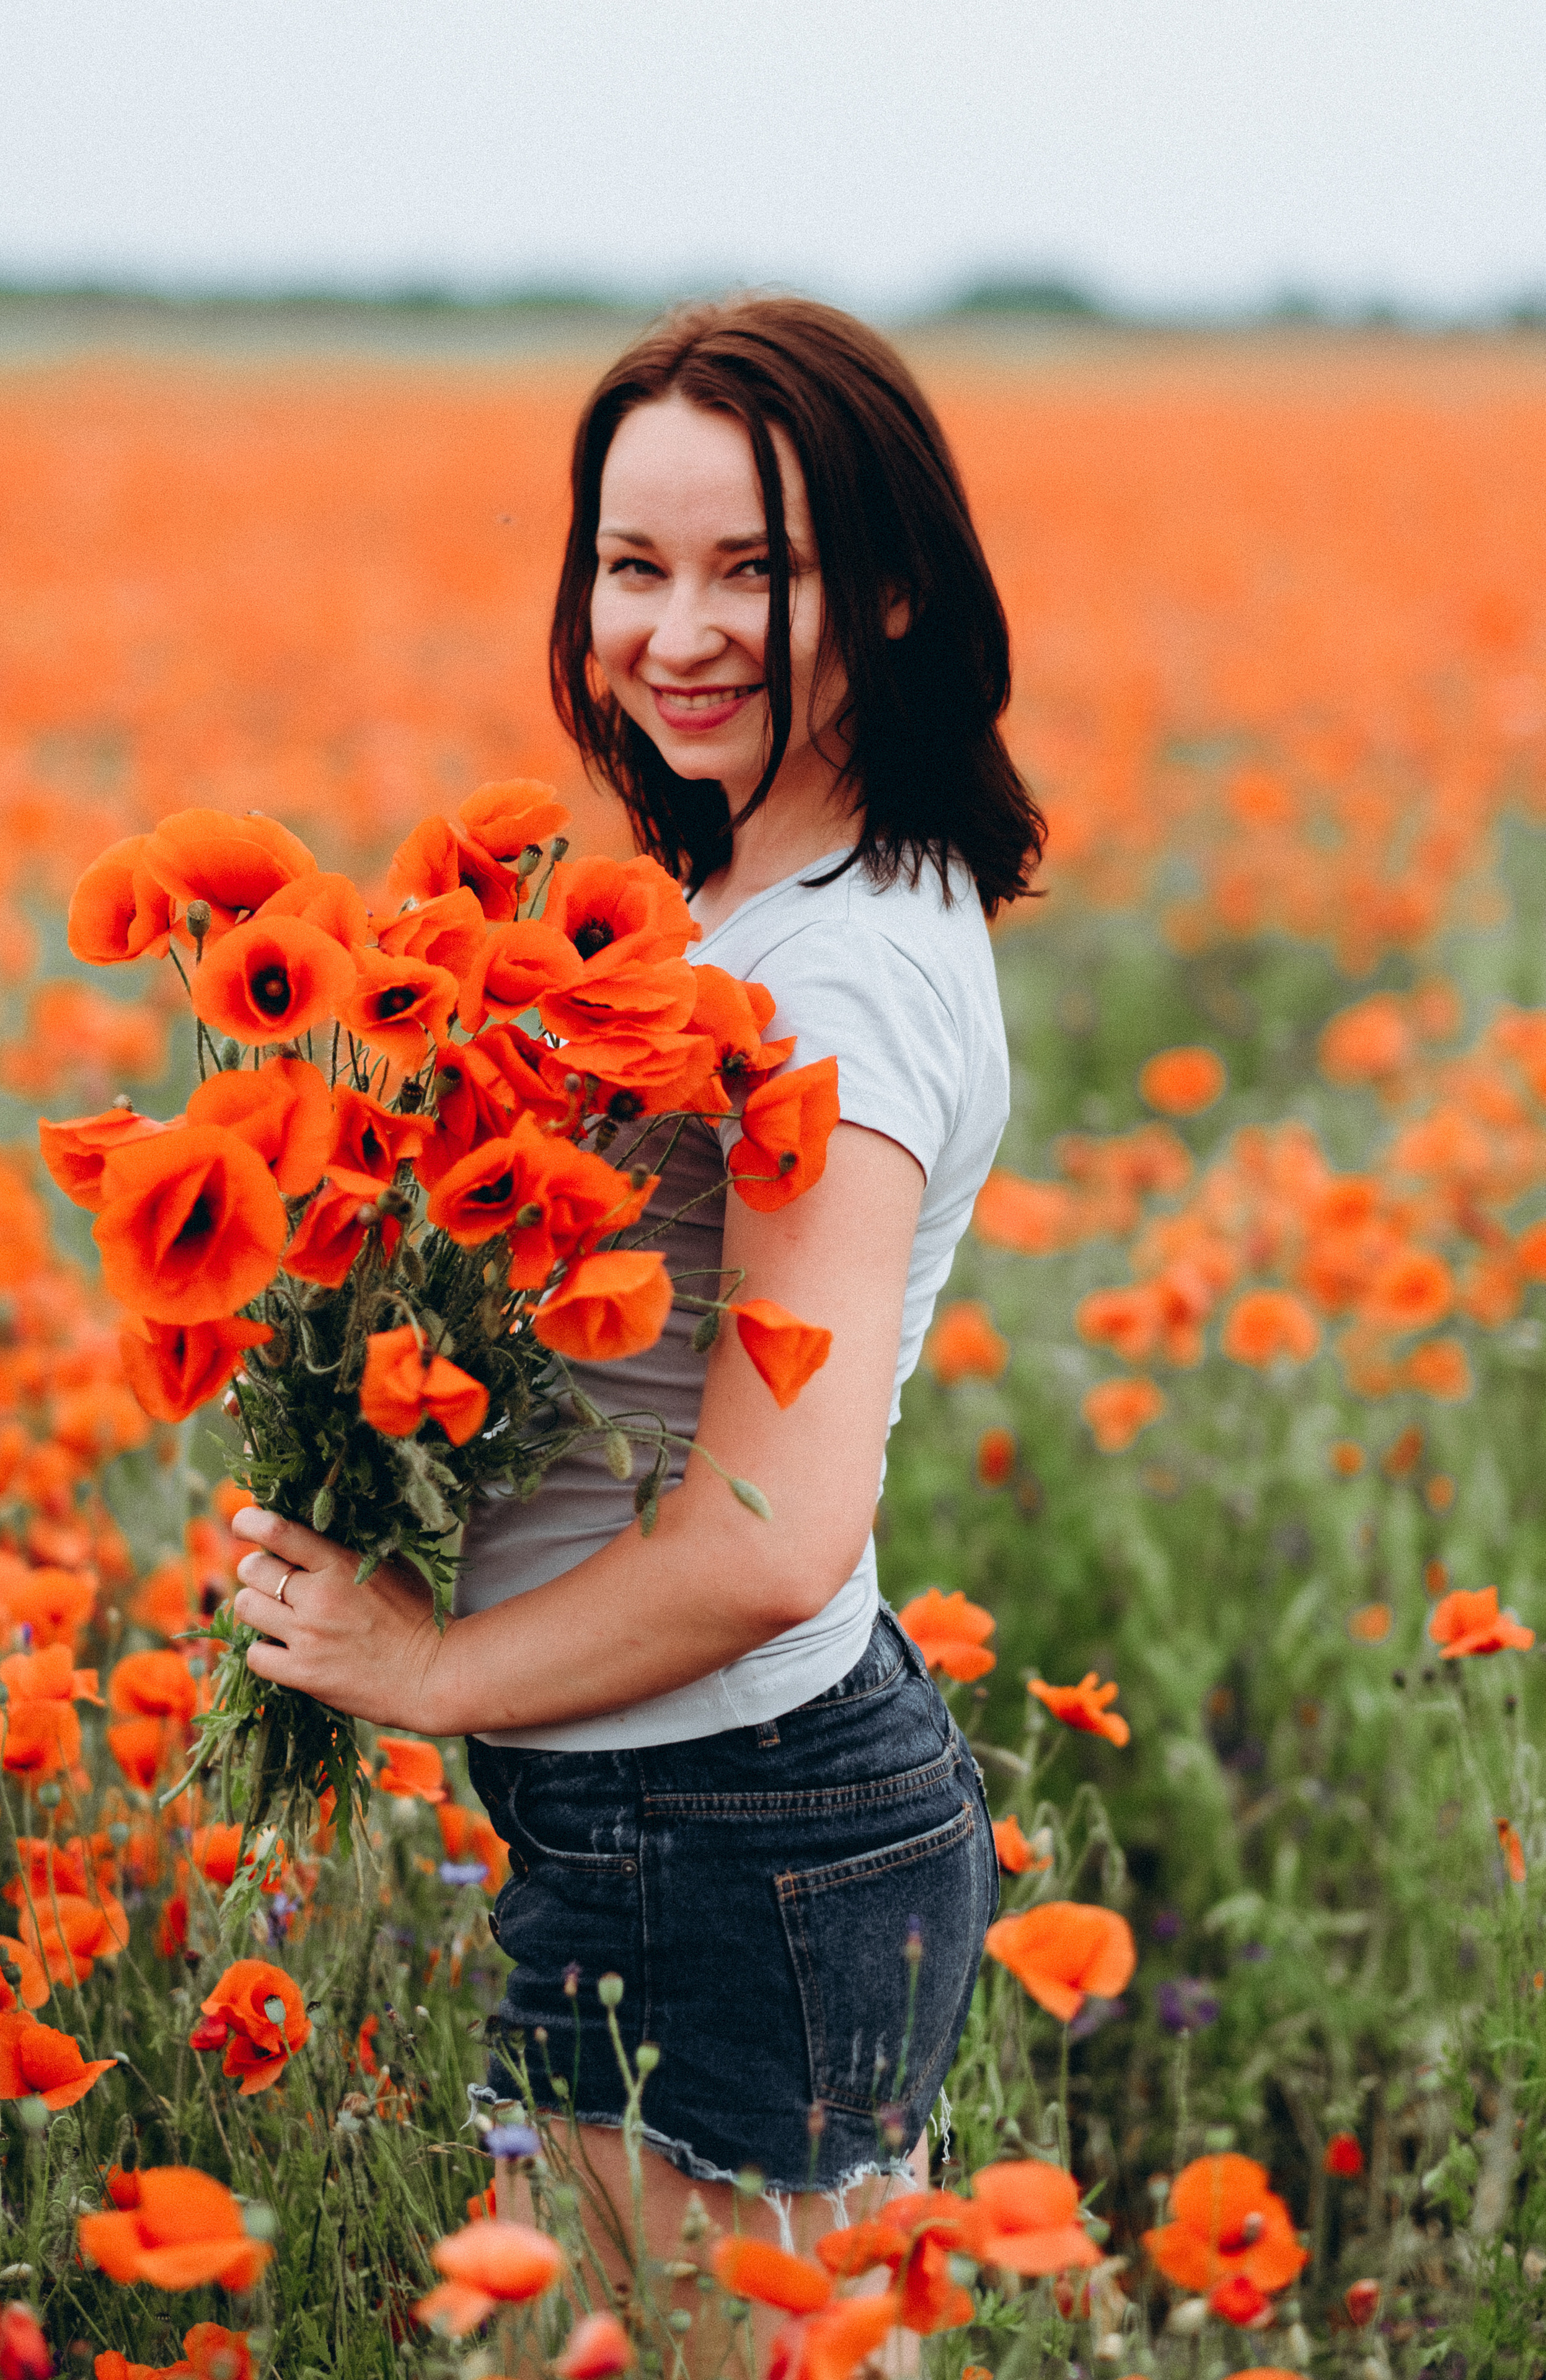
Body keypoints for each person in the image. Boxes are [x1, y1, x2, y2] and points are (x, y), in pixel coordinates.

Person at [230, 294, 1044, 2288]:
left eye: (755, 568)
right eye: (634, 563)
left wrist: (425, 1675)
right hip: (705, 1820)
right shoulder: (784, 894)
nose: (676, 632)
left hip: (729, 1828)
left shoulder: (828, 987)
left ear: (900, 591)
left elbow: (775, 1542)